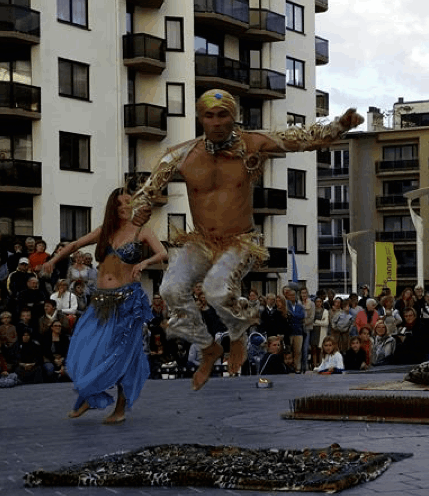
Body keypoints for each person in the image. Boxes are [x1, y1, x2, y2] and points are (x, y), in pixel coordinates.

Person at [128, 89, 362, 388]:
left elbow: (302, 138)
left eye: (223, 114)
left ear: (234, 116)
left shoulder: (253, 143)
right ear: (200, 118)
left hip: (241, 241)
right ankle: (208, 346)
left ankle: (239, 332)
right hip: (200, 241)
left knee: (214, 290)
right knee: (171, 290)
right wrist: (141, 208)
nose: (216, 122)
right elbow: (148, 190)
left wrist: (339, 126)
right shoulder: (182, 154)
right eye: (209, 116)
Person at [42, 187, 167, 423]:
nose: (124, 207)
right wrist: (53, 260)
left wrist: (144, 263)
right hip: (100, 301)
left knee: (123, 355)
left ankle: (119, 409)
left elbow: (163, 252)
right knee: (86, 348)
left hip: (128, 302)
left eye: (128, 203)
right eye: (119, 204)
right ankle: (90, 395)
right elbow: (75, 245)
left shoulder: (142, 231)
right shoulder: (105, 232)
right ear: (113, 208)